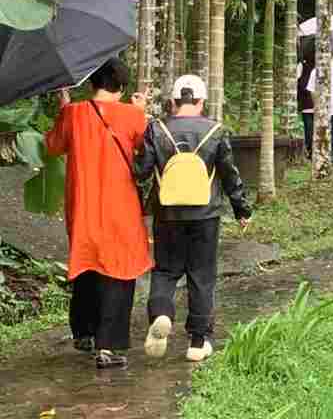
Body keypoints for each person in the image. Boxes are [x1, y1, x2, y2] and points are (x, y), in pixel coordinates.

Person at [42, 57, 150, 369]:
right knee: (119, 268)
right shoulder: (133, 115)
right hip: (121, 207)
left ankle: (84, 332)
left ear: (91, 83)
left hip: (83, 205)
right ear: (122, 87)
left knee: (88, 261)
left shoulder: (73, 114)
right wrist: (141, 112)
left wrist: (63, 108)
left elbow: (52, 146)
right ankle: (109, 346)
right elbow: (146, 150)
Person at [141, 75, 252, 363]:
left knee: (165, 271)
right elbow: (229, 174)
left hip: (167, 214)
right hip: (205, 215)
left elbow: (140, 170)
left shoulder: (156, 128)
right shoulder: (216, 130)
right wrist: (241, 209)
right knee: (201, 276)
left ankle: (162, 313)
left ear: (174, 101)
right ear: (201, 101)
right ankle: (197, 342)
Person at [297, 55, 315, 159]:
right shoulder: (323, 66)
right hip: (318, 102)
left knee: (308, 129)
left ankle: (310, 150)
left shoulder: (302, 65)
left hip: (306, 103)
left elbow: (297, 81)